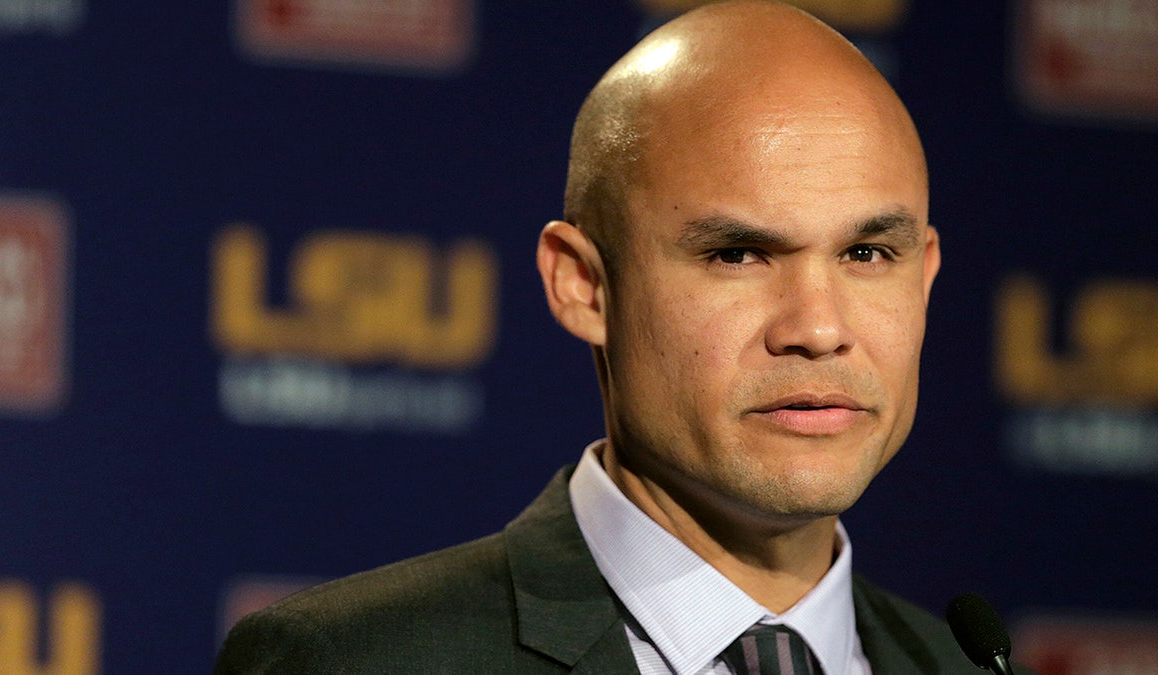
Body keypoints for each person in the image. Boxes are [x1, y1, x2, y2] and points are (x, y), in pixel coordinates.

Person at [215, 2, 1031, 673]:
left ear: (923, 276)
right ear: (584, 284)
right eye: (736, 254)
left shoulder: (970, 665)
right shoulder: (354, 663)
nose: (819, 328)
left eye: (866, 253)